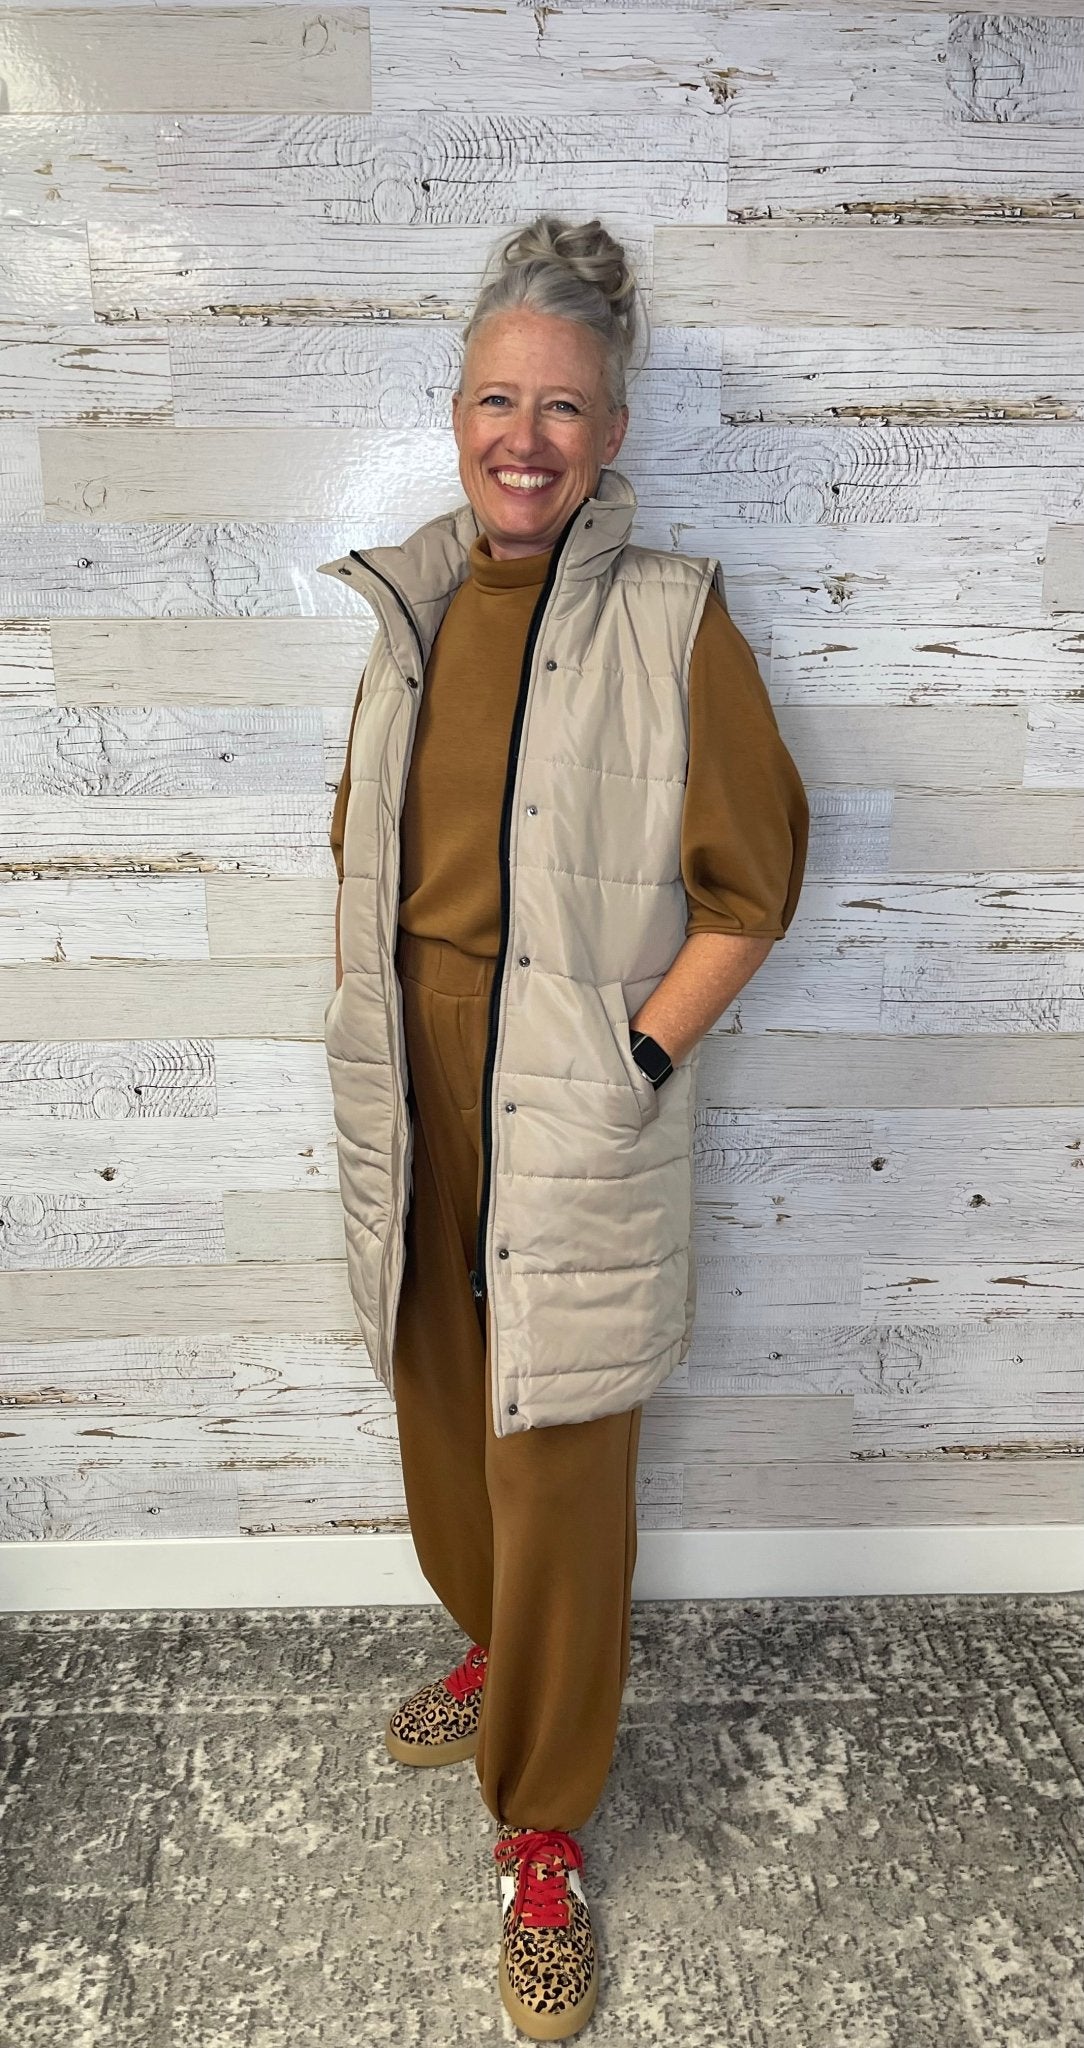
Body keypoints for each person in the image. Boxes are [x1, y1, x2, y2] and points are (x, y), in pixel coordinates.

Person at [320, 214, 809, 2041]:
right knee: (442, 1408)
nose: (523, 439)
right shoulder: (409, 606)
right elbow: (367, 842)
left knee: (561, 1455)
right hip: (415, 1066)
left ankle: (541, 1825)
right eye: (495, 401)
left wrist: (639, 1059)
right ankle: (497, 1644)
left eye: (564, 407)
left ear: (614, 431)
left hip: (572, 1080)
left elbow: (752, 884)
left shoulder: (675, 616)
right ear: (455, 412)